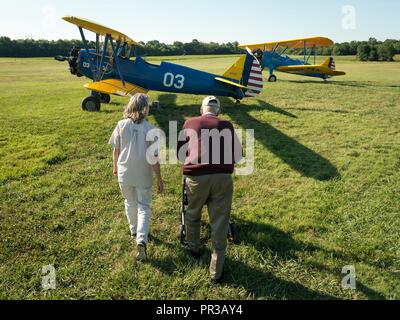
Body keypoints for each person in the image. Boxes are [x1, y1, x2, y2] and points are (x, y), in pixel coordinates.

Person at [177, 96, 242, 283]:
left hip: (195, 176)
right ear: (218, 111)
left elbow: (180, 153)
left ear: (201, 109)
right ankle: (216, 272)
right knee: (220, 222)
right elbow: (237, 155)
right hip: (222, 178)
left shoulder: (189, 122)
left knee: (192, 214)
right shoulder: (227, 125)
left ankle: (194, 248)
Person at [109, 93, 164, 262]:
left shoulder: (121, 125)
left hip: (124, 172)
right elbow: (153, 158)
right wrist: (159, 178)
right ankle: (141, 238)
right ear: (146, 109)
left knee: (129, 202)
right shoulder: (151, 129)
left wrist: (115, 167)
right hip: (143, 174)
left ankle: (134, 230)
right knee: (144, 206)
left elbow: (116, 151)